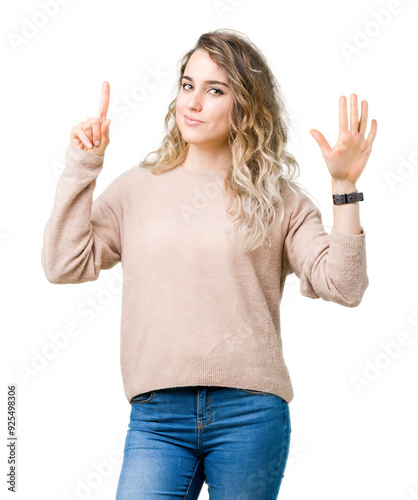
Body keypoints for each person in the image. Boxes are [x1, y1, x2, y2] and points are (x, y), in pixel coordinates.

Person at [41, 29, 377, 499]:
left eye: (214, 90)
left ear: (245, 108)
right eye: (186, 84)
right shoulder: (135, 189)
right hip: (157, 417)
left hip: (251, 415)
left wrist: (344, 188)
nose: (192, 102)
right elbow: (62, 264)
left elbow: (345, 286)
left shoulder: (279, 199)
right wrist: (82, 165)